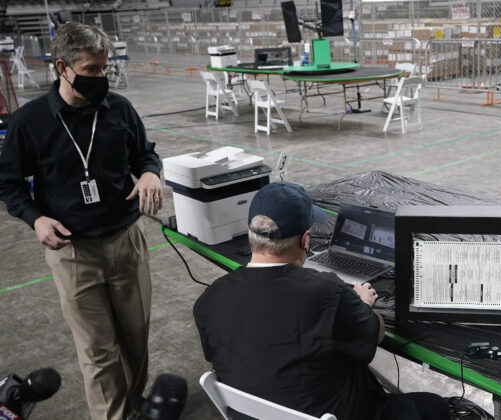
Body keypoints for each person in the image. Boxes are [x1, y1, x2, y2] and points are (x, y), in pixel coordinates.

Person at [0, 23, 162, 419]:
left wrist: (151, 173)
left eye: (104, 69)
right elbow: (9, 184)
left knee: (135, 341)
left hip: (126, 242)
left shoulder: (119, 110)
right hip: (73, 252)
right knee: (98, 351)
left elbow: (145, 154)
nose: (100, 78)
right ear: (62, 67)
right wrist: (36, 219)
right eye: (91, 70)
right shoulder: (29, 122)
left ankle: (134, 404)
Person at [193, 182, 450, 420]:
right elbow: (375, 334)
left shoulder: (209, 300)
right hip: (343, 413)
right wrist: (363, 304)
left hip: (250, 414)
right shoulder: (325, 291)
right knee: (434, 406)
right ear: (306, 240)